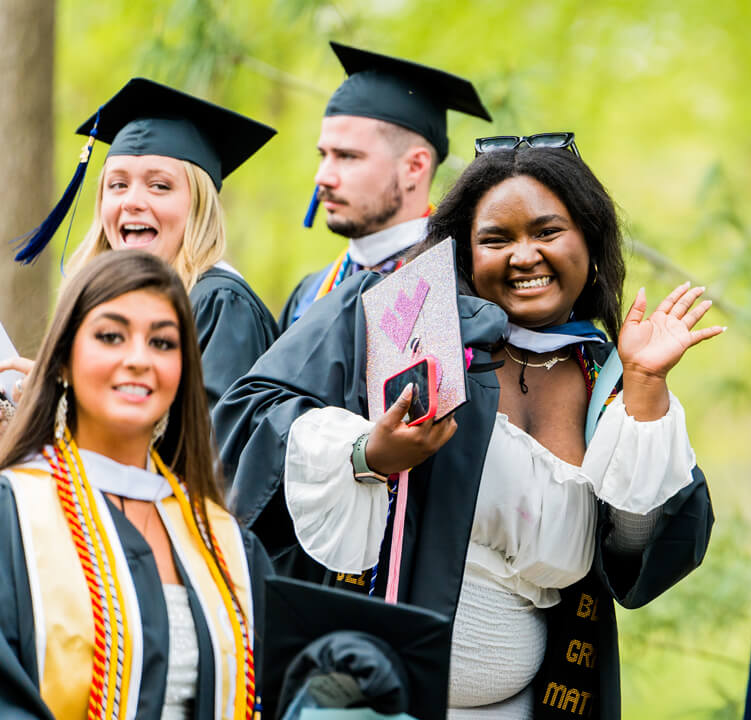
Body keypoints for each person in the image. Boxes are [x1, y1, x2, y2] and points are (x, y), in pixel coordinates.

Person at [214, 142, 719, 718]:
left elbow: (632, 552)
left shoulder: (607, 377)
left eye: (548, 232)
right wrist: (365, 454)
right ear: (463, 253)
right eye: (496, 239)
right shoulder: (396, 315)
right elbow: (246, 418)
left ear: (591, 244)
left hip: (532, 703)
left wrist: (646, 385)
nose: (524, 256)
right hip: (365, 692)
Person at [0, 250, 270, 719]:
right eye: (111, 336)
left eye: (163, 343)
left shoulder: (225, 543)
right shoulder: (14, 516)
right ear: (61, 361)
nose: (139, 359)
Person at [12, 77, 279, 409]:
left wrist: (64, 407)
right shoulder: (94, 305)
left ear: (199, 206)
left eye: (159, 186)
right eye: (118, 184)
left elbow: (211, 449)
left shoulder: (220, 305)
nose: (132, 201)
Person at [278, 42, 492, 330]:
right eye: (323, 155)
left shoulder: (464, 283)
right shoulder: (310, 295)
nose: (323, 177)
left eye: (347, 156)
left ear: (414, 167)